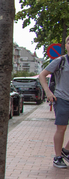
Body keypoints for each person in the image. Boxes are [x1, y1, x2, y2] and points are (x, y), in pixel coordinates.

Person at [39, 35, 69, 168]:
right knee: (61, 128)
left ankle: (66, 150)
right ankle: (57, 157)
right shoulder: (60, 61)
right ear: (66, 45)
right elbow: (42, 75)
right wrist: (48, 92)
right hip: (62, 98)